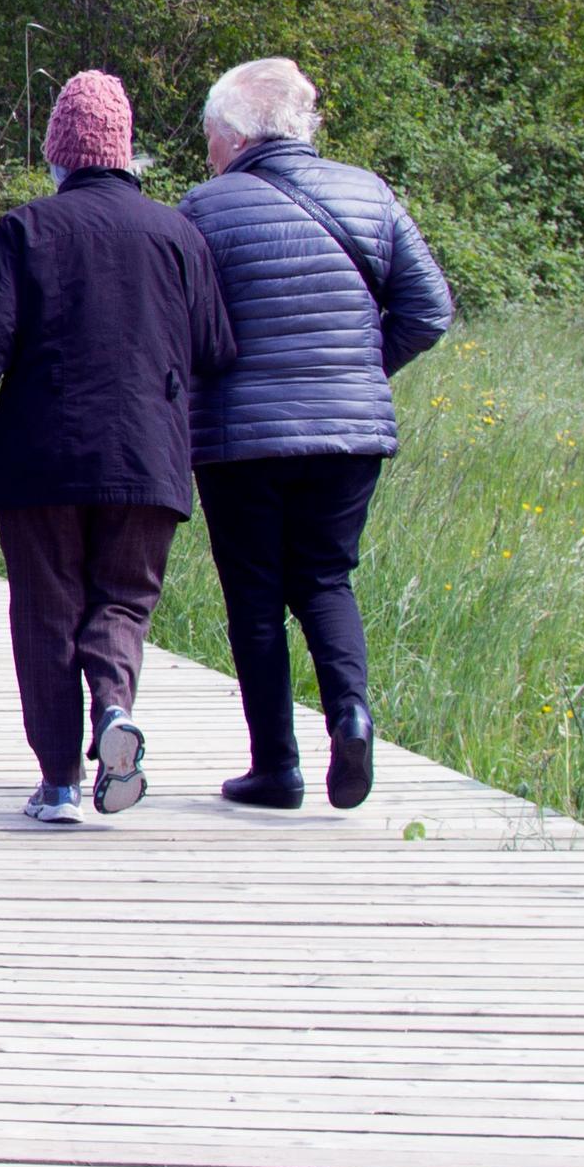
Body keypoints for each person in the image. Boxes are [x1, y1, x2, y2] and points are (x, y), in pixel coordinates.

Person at [0, 72, 237, 825]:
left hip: (43, 457)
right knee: (123, 602)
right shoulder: (179, 236)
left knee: (46, 610)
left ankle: (61, 782)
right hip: (147, 456)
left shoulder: (29, 229)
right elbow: (214, 348)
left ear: (58, 154)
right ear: (127, 153)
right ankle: (113, 710)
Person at [181, 56, 455, 811]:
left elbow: (183, 329)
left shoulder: (205, 209)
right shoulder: (370, 194)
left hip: (243, 437)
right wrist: (358, 372)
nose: (206, 147)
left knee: (256, 596)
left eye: (209, 133)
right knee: (326, 579)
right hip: (350, 433)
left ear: (235, 136)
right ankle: (351, 715)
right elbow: (429, 311)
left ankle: (276, 766)